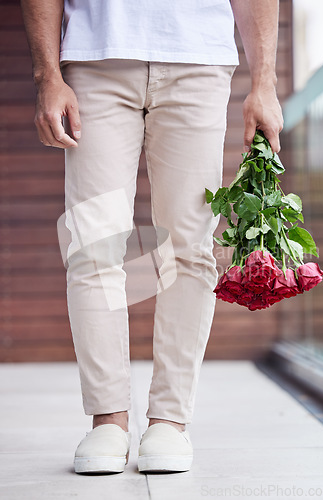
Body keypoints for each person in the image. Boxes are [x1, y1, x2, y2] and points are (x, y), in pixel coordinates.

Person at [21, 0, 283, 474]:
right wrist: (47, 75)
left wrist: (265, 81)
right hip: (95, 58)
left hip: (199, 60)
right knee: (93, 245)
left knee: (189, 248)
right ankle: (108, 421)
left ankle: (169, 420)